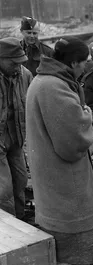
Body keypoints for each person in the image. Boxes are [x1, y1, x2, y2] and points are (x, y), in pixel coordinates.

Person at [26, 37, 93, 265]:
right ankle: (74, 260)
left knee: (57, 208)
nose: (86, 67)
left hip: (48, 165)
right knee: (73, 214)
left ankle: (68, 258)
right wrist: (88, 117)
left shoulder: (44, 80)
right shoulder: (54, 87)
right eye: (84, 62)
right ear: (72, 63)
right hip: (61, 170)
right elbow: (72, 140)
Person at [0, 37, 32, 219]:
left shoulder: (25, 75)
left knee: (20, 182)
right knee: (4, 190)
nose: (18, 66)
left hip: (16, 140)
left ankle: (20, 222)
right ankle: (9, 233)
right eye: (14, 62)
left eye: (21, 62)